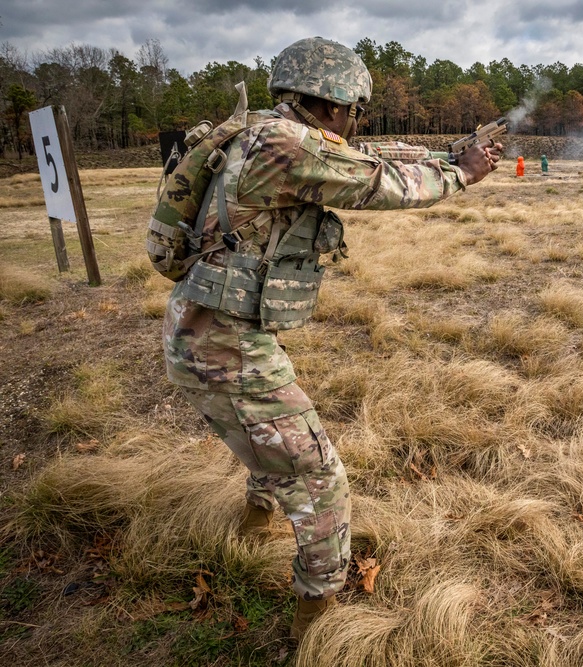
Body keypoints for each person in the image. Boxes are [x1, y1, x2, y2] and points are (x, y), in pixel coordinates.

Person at [157, 36, 502, 642]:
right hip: (223, 343)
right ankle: (314, 622)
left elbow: (363, 157)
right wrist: (463, 172)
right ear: (336, 101)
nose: (352, 124)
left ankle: (252, 528)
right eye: (353, 111)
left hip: (205, 328)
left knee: (268, 442)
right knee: (321, 480)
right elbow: (380, 181)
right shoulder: (289, 147)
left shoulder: (258, 132)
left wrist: (447, 154)